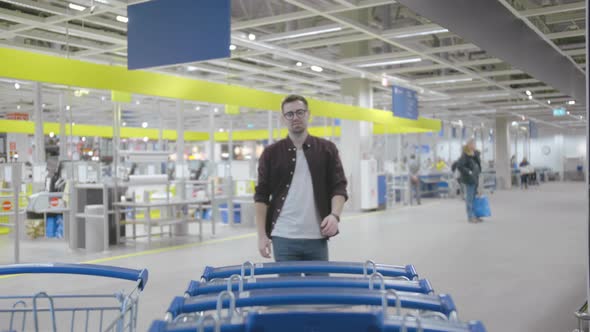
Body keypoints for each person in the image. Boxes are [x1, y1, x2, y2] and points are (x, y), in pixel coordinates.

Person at [254, 94, 348, 262]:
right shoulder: (270, 154)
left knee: (319, 286)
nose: (295, 117)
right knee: (288, 289)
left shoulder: (327, 150)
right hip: (283, 237)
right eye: (289, 114)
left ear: (308, 114)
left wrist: (335, 215)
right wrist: (261, 236)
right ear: (283, 119)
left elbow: (338, 187)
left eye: (299, 112)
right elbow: (261, 196)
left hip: (317, 236)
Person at [456, 139, 482, 223]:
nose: (475, 146)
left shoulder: (474, 154)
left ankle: (474, 215)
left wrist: (476, 154)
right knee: (469, 199)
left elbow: (477, 164)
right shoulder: (465, 155)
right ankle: (470, 216)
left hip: (475, 178)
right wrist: (469, 172)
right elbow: (460, 166)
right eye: (473, 144)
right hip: (469, 179)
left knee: (474, 199)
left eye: (475, 144)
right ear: (469, 145)